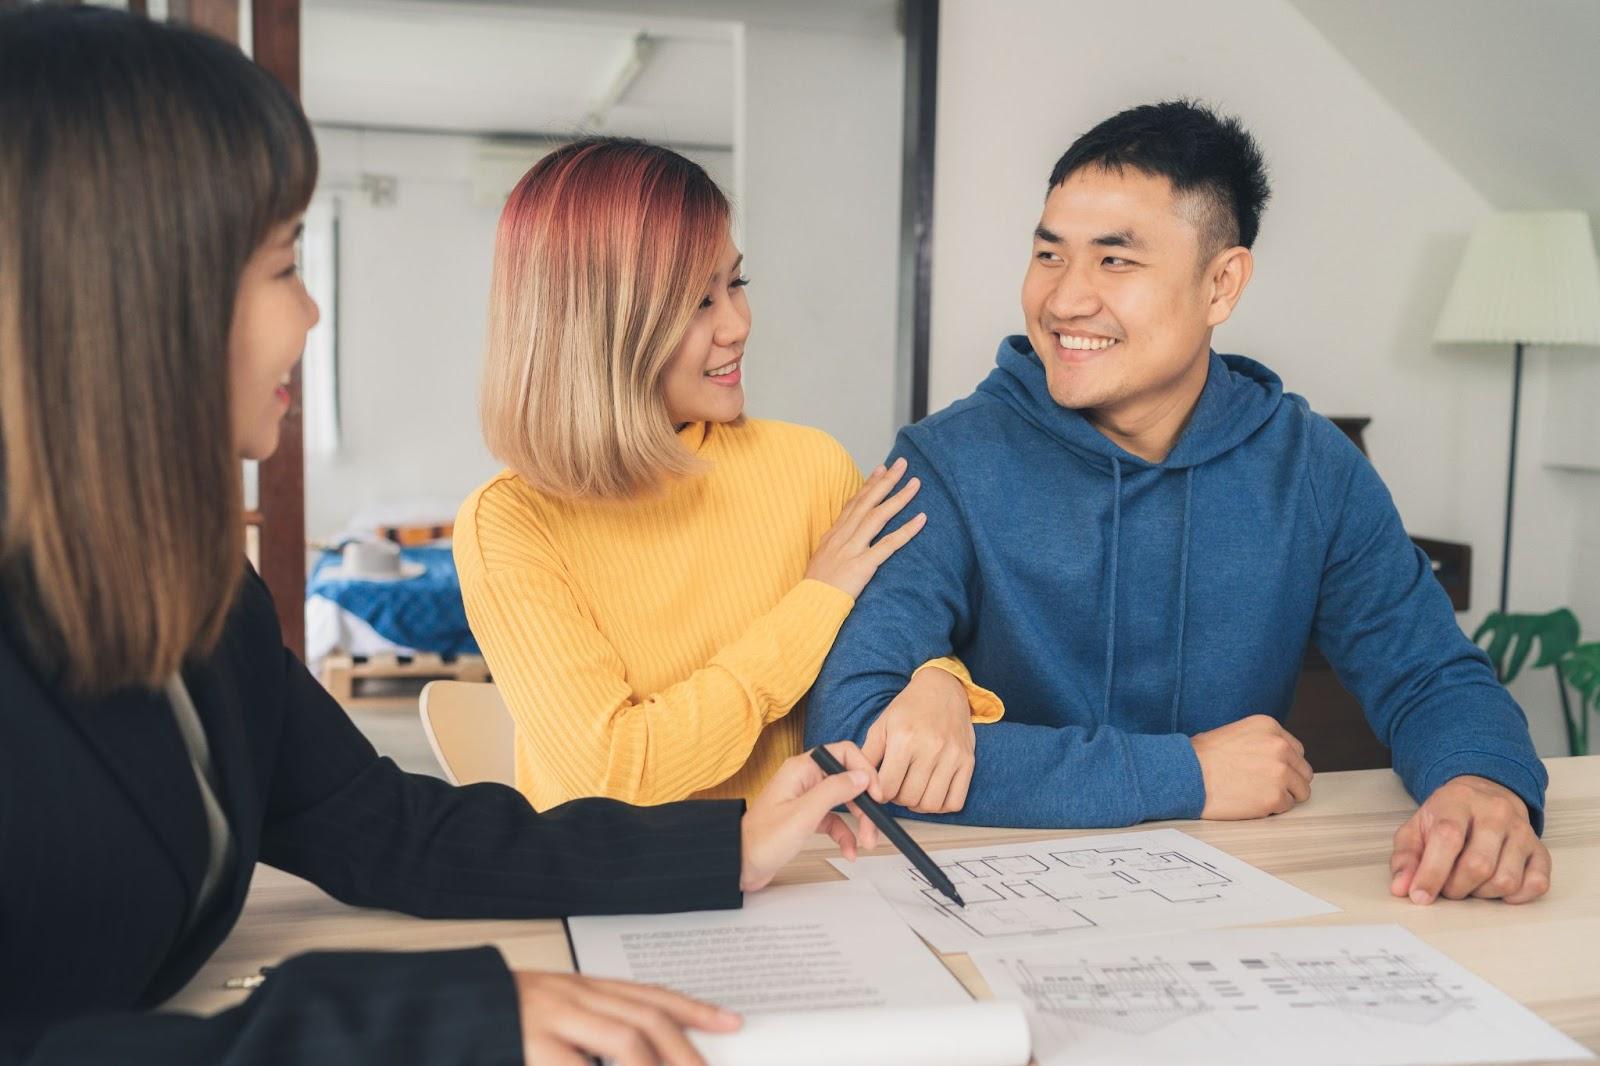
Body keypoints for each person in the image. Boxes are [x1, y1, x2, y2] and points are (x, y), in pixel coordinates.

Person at [0, 8, 889, 1064]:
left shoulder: (202, 598)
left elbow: (387, 828)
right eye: (286, 263)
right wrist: (416, 1017)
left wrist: (727, 845)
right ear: (133, 289)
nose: (314, 315)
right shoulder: (507, 521)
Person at [808, 100, 1551, 908]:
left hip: (1234, 898)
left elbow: (1430, 675)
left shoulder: (1309, 468)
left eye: (1115, 262)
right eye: (1048, 254)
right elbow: (854, 736)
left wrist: (1482, 783)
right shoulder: (946, 462)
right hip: (990, 891)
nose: (1064, 301)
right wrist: (1188, 773)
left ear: (1221, 284)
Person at [454, 137, 1002, 814]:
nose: (738, 325)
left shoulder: (810, 466)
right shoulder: (508, 524)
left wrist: (941, 682)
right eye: (696, 302)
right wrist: (813, 604)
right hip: (634, 892)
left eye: (735, 283)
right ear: (598, 327)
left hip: (824, 874)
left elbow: (900, 649)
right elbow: (618, 774)